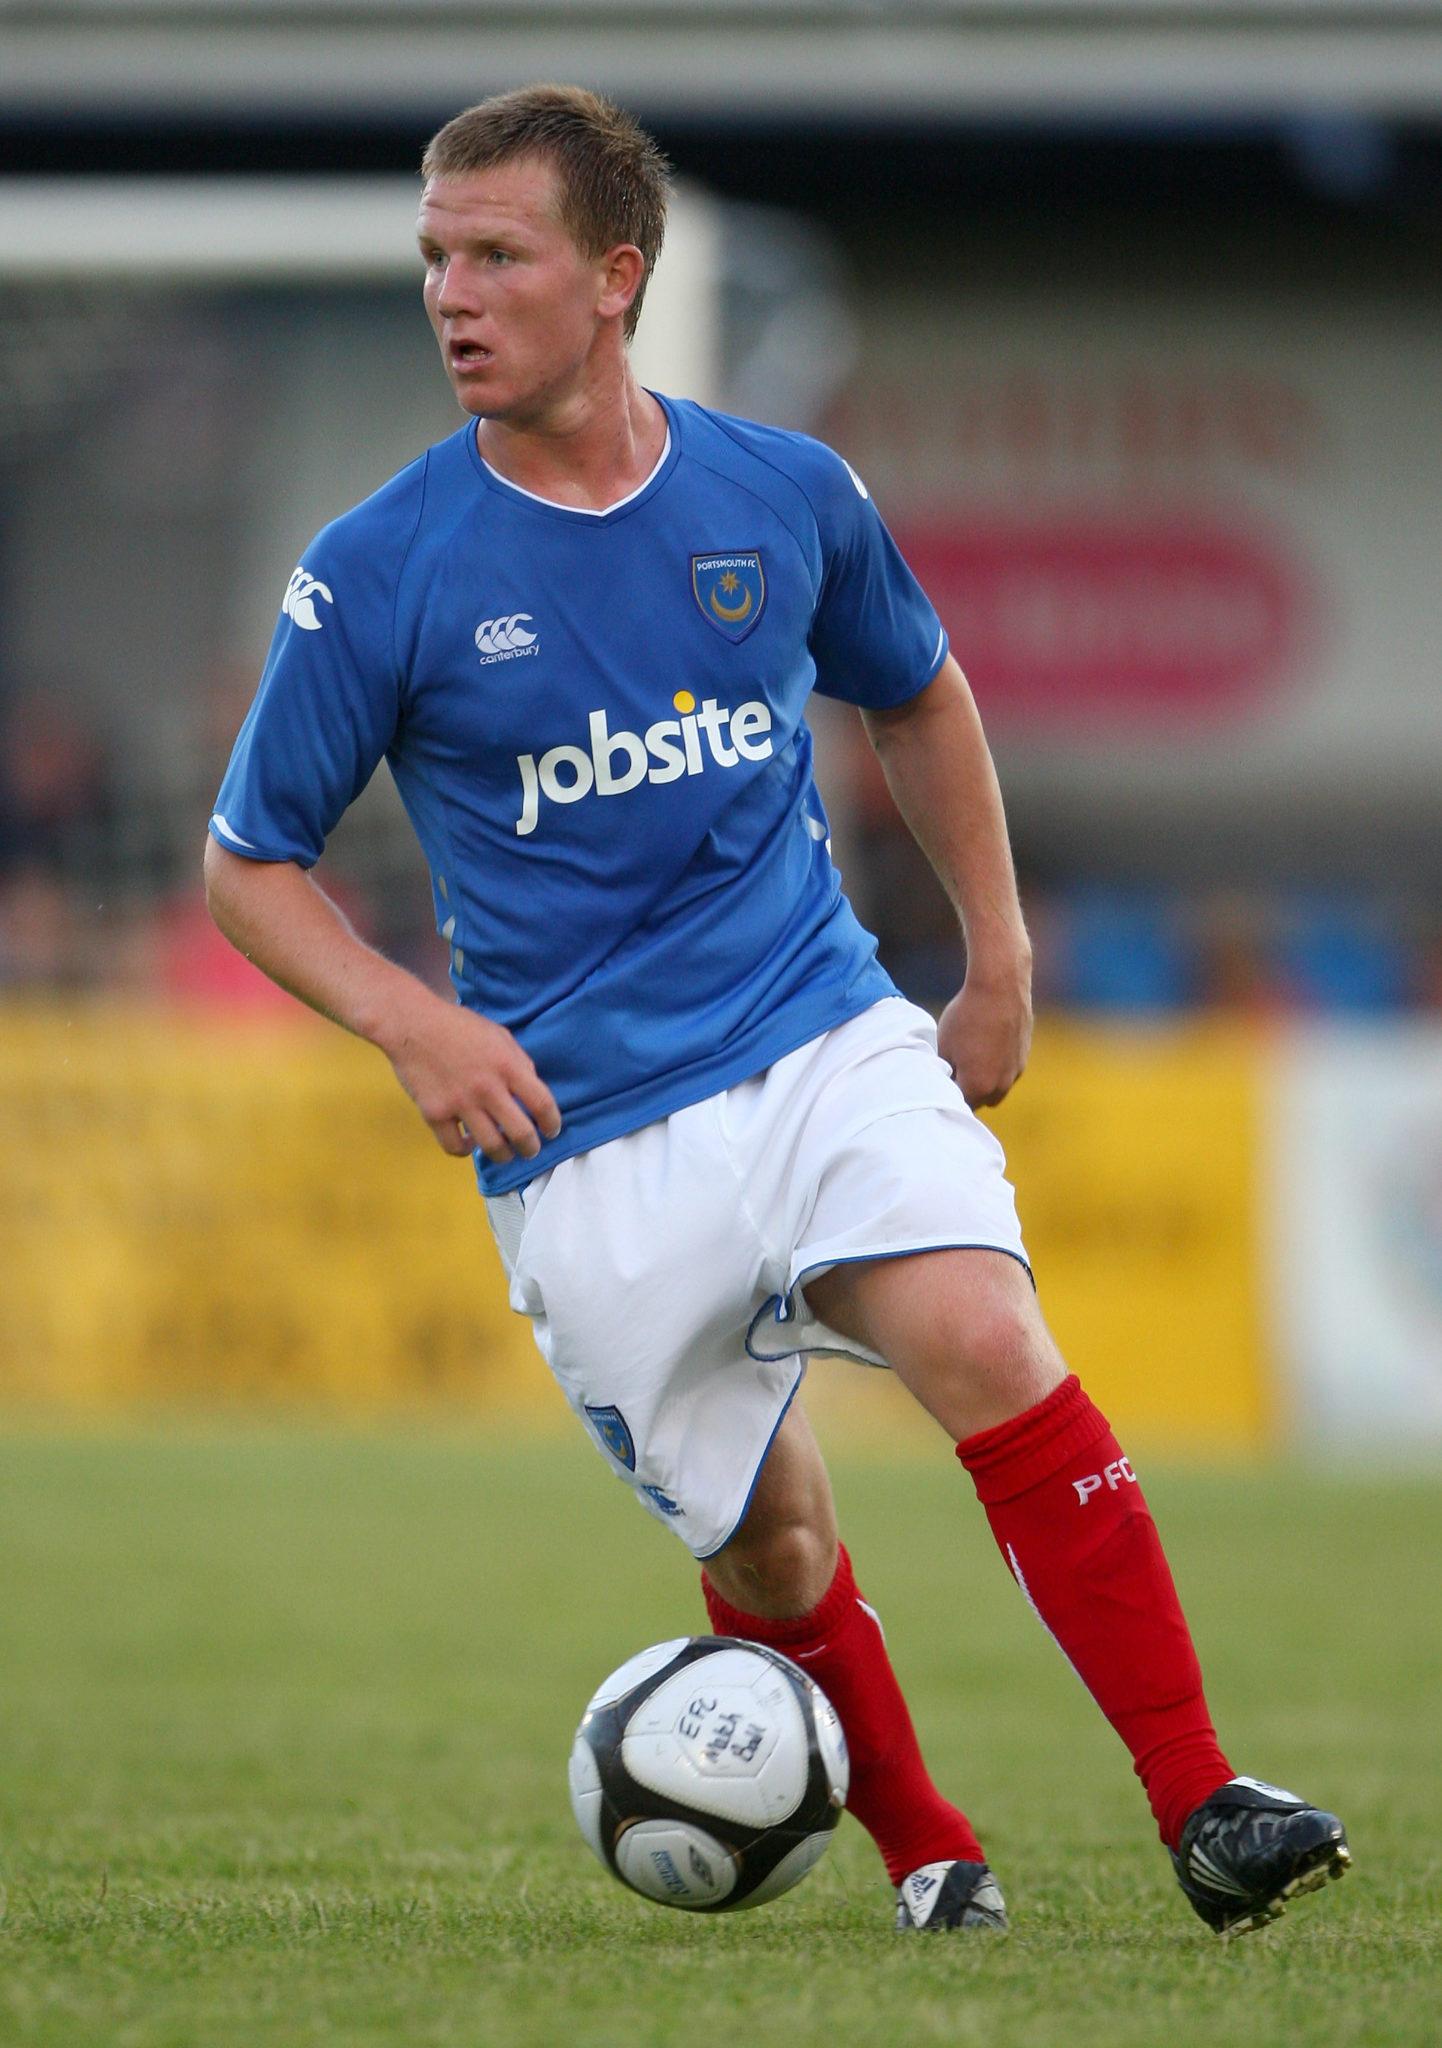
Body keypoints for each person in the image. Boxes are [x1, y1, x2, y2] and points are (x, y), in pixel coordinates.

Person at [204, 84, 1349, 1939]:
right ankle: (930, 1858)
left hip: (814, 1030)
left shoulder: (781, 493)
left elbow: (922, 694)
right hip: (580, 1140)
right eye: (435, 258)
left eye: (497, 254)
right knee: (775, 1538)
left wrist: (995, 957)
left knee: (986, 1336)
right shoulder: (378, 568)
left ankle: (1202, 1801)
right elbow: (246, 865)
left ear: (616, 278)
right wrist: (413, 1023)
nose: (452, 295)